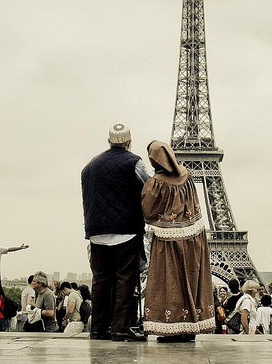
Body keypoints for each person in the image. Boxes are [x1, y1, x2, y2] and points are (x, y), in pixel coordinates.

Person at [81, 123, 149, 341]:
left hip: (97, 231)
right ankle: (120, 328)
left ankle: (98, 328)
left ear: (109, 141)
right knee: (125, 279)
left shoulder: (91, 164)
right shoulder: (133, 161)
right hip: (126, 230)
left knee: (100, 280)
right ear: (129, 142)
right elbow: (149, 185)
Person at [140, 141, 214, 342]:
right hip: (194, 237)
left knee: (169, 283)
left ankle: (172, 328)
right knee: (191, 280)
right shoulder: (187, 175)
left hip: (169, 241)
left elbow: (148, 212)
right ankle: (190, 326)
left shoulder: (156, 182)